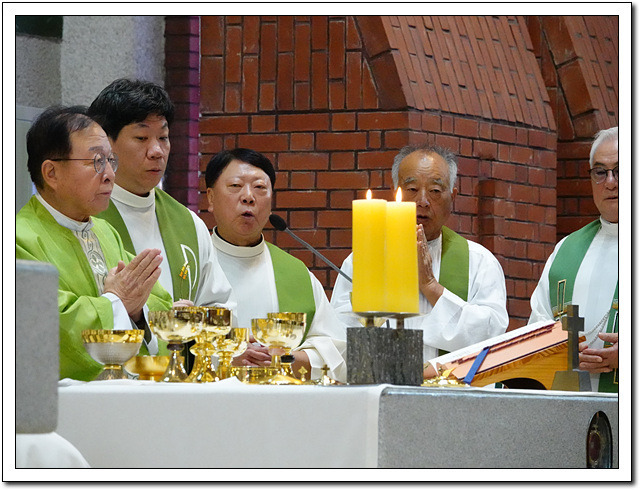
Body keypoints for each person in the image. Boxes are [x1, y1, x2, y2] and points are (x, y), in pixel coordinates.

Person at [16, 106, 173, 381]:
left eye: (111, 160)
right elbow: (49, 325)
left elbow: (157, 302)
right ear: (51, 173)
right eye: (97, 161)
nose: (110, 174)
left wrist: (137, 311)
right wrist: (118, 302)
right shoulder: (19, 239)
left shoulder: (105, 232)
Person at [331, 144, 509, 372]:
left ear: (452, 196)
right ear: (395, 193)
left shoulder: (479, 262)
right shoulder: (363, 260)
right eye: (412, 189)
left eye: (435, 190)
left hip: (451, 390)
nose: (422, 201)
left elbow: (492, 336)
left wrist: (431, 286)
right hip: (381, 383)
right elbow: (338, 335)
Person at [87, 79, 235, 310]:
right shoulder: (84, 216)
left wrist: (190, 320)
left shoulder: (188, 223)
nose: (157, 151)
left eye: (163, 138)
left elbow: (220, 305)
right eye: (142, 138)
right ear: (106, 144)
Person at [205, 148, 347, 382]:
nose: (248, 197)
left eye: (260, 188)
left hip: (280, 401)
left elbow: (337, 353)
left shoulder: (295, 274)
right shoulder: (191, 263)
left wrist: (283, 359)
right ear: (210, 198)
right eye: (236, 186)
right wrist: (225, 355)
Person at [529, 127, 618, 393]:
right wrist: (559, 350)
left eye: (620, 170)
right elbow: (537, 328)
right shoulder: (566, 250)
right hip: (572, 404)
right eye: (600, 172)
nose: (610, 182)